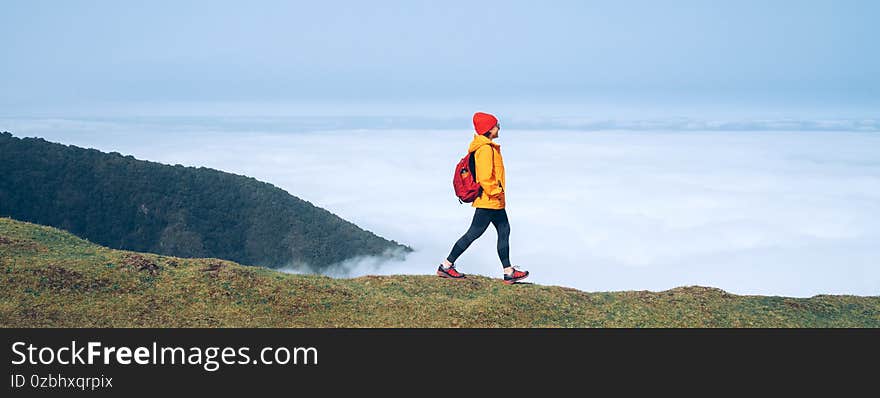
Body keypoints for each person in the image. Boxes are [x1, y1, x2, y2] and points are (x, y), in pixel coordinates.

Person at [437, 112, 529, 284]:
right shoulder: (485, 149)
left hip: (493, 200)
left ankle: (508, 272)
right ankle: (446, 266)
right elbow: (485, 177)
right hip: (489, 200)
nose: (499, 127)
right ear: (489, 129)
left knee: (504, 230)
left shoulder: (487, 147)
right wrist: (496, 192)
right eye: (496, 125)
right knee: (474, 233)